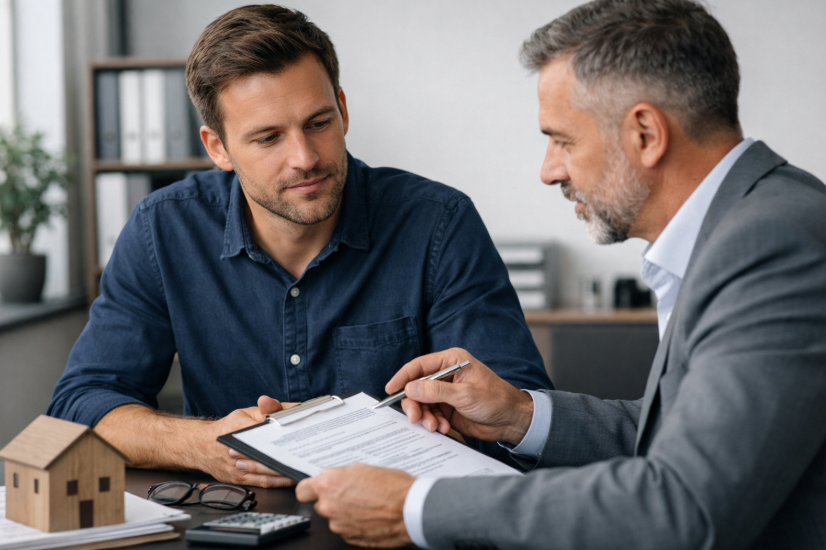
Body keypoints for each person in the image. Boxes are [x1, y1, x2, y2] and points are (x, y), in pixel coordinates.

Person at [295, 0, 826, 548]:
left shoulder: (773, 245)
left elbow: (684, 502)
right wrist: (517, 415)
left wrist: (414, 506)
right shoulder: (747, 226)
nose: (549, 170)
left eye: (563, 140)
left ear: (645, 133)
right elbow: (675, 436)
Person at [47, 5, 552, 488]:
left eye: (318, 123)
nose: (305, 158)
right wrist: (205, 444)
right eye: (268, 138)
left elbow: (516, 415)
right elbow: (81, 405)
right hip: (231, 522)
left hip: (404, 518)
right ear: (217, 147)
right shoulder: (162, 230)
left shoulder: (438, 222)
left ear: (343, 109)